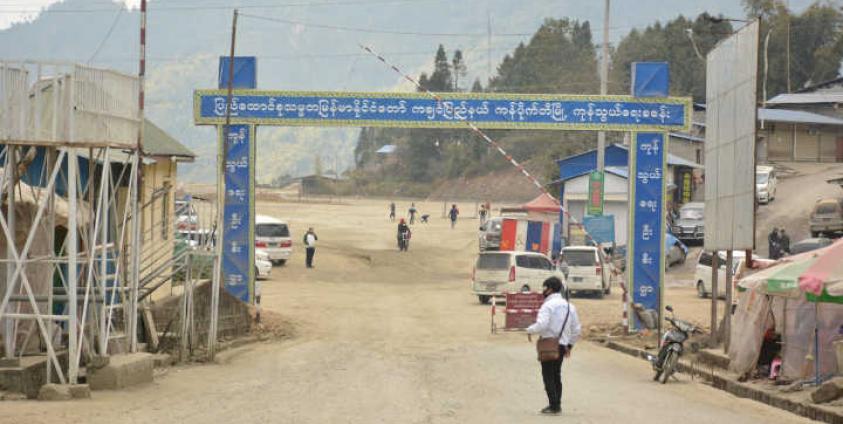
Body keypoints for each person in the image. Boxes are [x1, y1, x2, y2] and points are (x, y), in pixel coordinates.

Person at [527, 277, 581, 415]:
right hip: (562, 345)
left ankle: (554, 406)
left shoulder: (547, 306)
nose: (543, 290)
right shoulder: (570, 306)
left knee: (548, 375)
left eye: (544, 288)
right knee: (556, 374)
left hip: (548, 345)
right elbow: (576, 330)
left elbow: (542, 324)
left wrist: (530, 330)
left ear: (550, 289)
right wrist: (570, 346)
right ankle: (557, 404)